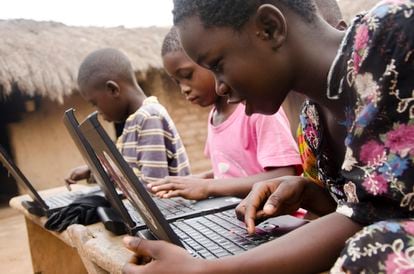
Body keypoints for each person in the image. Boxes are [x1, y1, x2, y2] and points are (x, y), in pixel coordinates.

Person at [121, 0, 414, 273]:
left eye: (218, 66)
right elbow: (372, 208)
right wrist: (312, 194)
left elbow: (375, 224)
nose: (220, 88)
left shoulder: (394, 34)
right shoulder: (312, 120)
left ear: (270, 28)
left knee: (374, 251)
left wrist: (204, 270)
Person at [148, 27, 301, 200]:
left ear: (211, 63)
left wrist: (208, 187)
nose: (184, 89)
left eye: (187, 75)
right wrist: (196, 180)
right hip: (237, 217)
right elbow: (229, 171)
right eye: (177, 82)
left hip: (279, 220)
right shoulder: (214, 116)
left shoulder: (257, 110)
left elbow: (285, 174)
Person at [65, 48, 191, 185]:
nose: (97, 111)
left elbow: (153, 186)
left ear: (113, 90)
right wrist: (94, 170)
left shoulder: (149, 117)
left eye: (95, 103)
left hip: (169, 205)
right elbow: (130, 174)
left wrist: (105, 176)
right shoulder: (132, 123)